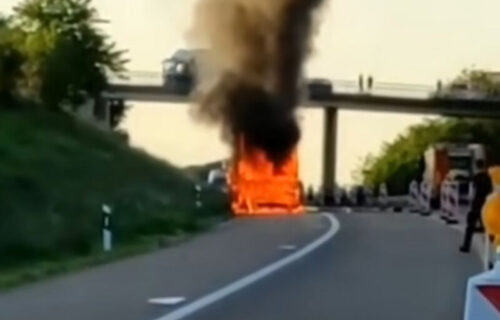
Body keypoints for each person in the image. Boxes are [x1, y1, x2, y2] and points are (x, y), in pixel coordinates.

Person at [460, 160, 493, 253]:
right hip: (485, 205)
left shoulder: (475, 178)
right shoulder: (488, 178)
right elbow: (490, 191)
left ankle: (466, 246)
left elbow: (471, 193)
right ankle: (492, 251)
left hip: (476, 204)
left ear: (477, 167)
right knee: (487, 228)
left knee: (470, 227)